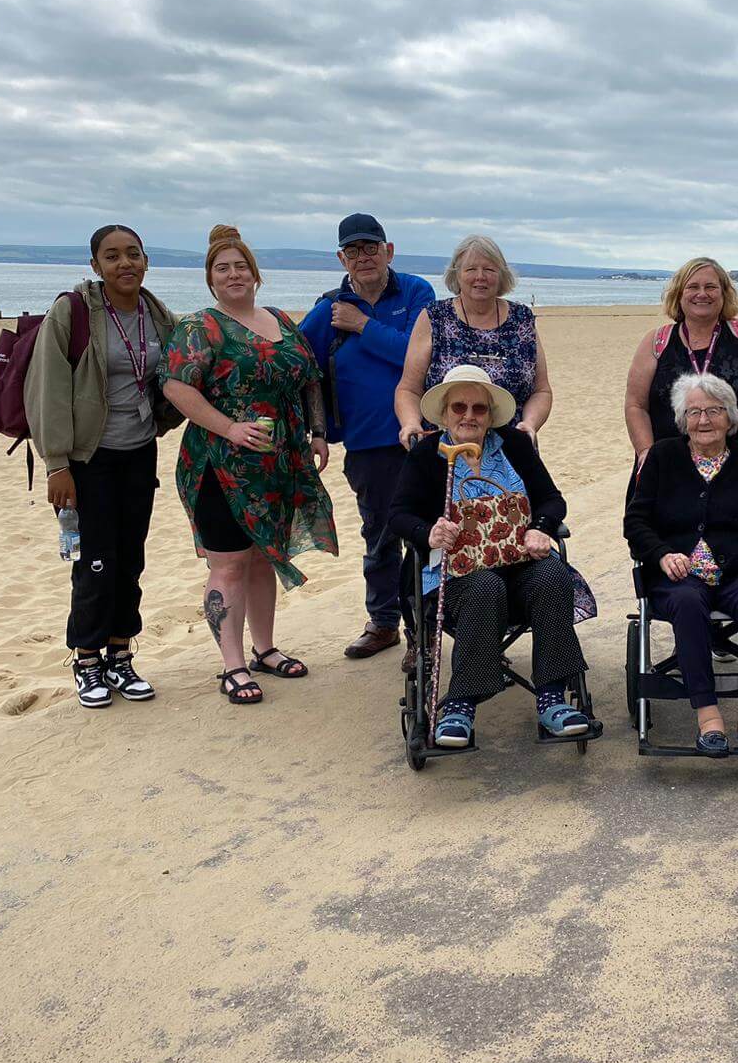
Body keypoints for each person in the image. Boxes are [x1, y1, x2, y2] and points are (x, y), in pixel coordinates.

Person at [159, 225, 338, 705]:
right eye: (223, 269)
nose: (234, 275)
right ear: (210, 279)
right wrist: (230, 427)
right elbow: (176, 386)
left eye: (241, 267)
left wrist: (317, 432)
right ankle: (232, 665)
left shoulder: (279, 318)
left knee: (263, 558)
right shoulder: (200, 326)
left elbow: (310, 379)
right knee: (230, 565)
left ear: (255, 274)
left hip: (280, 462)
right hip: (220, 466)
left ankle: (265, 650)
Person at [388, 365, 596, 747]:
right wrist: (429, 532)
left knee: (552, 575)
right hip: (455, 577)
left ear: (491, 414)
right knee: (484, 587)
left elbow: (552, 499)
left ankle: (552, 695)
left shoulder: (514, 446)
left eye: (479, 409)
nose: (469, 416)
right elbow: (399, 514)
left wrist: (542, 527)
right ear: (445, 413)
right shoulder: (426, 454)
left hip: (518, 570)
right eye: (459, 408)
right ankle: (461, 704)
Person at [25, 225, 180, 708]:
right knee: (95, 563)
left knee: (130, 558)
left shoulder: (156, 315)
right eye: (112, 256)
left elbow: (179, 371)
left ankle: (120, 655)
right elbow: (48, 390)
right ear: (95, 265)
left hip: (138, 453)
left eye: (133, 254)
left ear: (146, 260)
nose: (124, 264)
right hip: (85, 459)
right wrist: (56, 465)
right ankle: (87, 660)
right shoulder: (72, 313)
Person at [624, 373, 738, 754]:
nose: (704, 421)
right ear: (681, 420)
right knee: (688, 604)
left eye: (714, 411)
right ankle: (708, 717)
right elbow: (635, 521)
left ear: (731, 418)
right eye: (694, 412)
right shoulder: (662, 457)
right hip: (680, 576)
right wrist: (661, 554)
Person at [298, 213, 436, 662]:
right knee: (379, 538)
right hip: (366, 446)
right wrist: (316, 430)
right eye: (353, 250)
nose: (364, 257)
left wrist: (361, 326)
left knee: (427, 538)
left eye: (371, 247)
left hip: (422, 438)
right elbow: (300, 370)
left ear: (388, 251)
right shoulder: (328, 310)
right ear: (341, 258)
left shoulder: (417, 292)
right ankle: (383, 624)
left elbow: (420, 353)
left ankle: (424, 633)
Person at [624, 258, 738, 477]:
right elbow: (635, 404)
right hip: (667, 470)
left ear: (724, 293)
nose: (702, 294)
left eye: (710, 287)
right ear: (679, 294)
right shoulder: (656, 341)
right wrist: (645, 451)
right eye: (692, 287)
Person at [396, 234, 553, 446]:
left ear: (501, 275)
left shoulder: (522, 319)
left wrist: (530, 424)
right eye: (471, 269)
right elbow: (409, 389)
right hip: (445, 449)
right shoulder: (435, 316)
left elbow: (541, 391)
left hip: (513, 448)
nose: (480, 276)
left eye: (489, 269)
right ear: (457, 275)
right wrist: (410, 423)